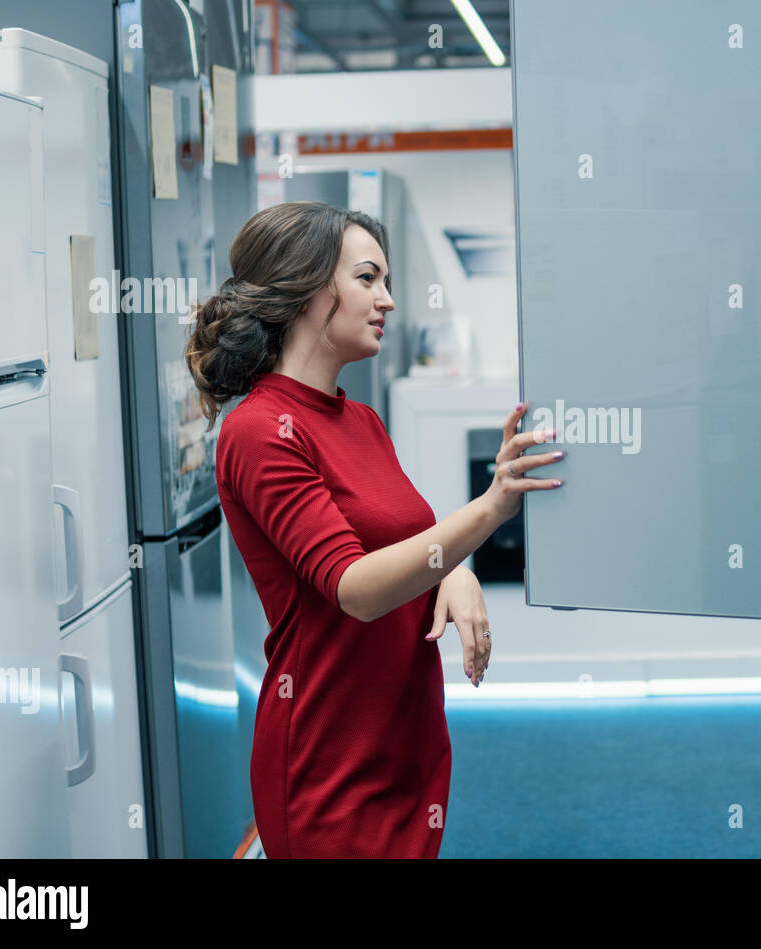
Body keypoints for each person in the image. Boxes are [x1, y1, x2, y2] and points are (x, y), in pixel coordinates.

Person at [184, 201, 564, 858]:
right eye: (367, 278)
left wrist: (457, 575)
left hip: (401, 736)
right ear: (306, 289)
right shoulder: (259, 431)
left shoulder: (361, 421)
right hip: (328, 765)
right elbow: (355, 584)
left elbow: (405, 546)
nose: (387, 300)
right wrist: (493, 506)